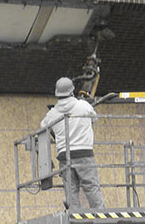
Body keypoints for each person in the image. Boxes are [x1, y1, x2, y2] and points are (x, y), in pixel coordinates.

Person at [40, 77, 105, 209]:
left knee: (71, 190)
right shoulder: (83, 106)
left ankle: (74, 218)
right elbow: (95, 118)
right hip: (84, 154)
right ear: (72, 91)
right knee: (91, 186)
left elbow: (43, 127)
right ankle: (101, 216)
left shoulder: (52, 114)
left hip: (64, 156)